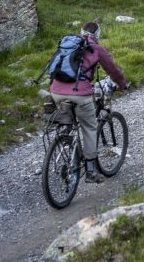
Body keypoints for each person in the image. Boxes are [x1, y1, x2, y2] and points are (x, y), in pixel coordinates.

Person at [50, 21, 129, 183]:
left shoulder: (67, 44)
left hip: (55, 91)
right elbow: (113, 70)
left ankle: (67, 139)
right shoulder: (96, 48)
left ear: (81, 31)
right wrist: (123, 84)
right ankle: (91, 171)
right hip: (79, 94)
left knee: (70, 119)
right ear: (98, 35)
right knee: (89, 127)